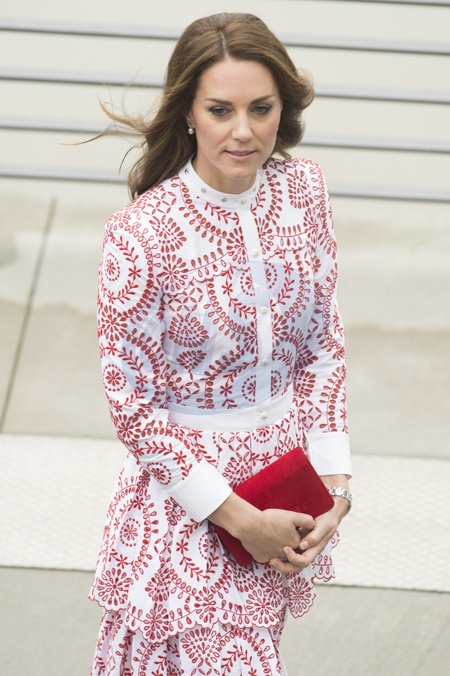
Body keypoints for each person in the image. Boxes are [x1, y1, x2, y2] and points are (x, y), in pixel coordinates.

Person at [89, 11, 352, 676]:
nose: (243, 131)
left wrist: (335, 490)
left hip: (286, 493)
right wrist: (239, 520)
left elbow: (322, 347)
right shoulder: (140, 234)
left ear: (283, 109)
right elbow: (134, 408)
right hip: (186, 514)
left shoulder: (305, 190)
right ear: (187, 112)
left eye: (261, 108)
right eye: (220, 110)